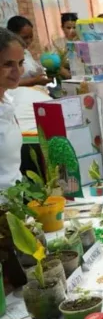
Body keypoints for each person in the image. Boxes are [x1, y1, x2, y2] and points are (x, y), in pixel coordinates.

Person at [0, 28, 24, 192]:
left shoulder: (7, 101)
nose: (17, 71)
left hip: (15, 205)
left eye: (21, 63)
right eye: (8, 64)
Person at [6, 16, 49, 88]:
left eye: (31, 37)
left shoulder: (26, 52)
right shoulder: (5, 56)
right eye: (24, 37)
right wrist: (33, 81)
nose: (29, 41)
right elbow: (4, 82)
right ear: (12, 35)